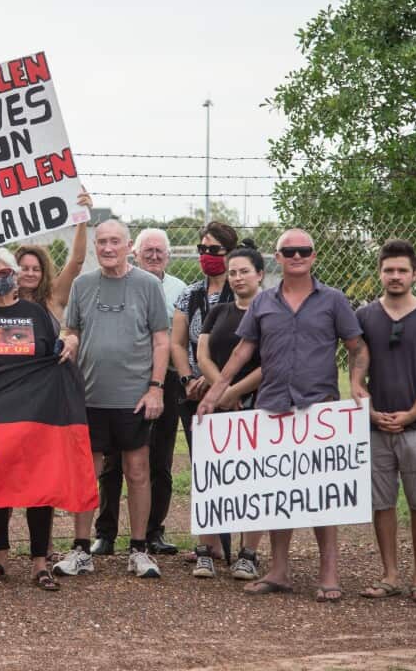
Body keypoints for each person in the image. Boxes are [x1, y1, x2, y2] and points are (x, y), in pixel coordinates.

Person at [198, 228, 369, 602]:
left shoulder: (333, 300)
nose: (296, 256)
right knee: (279, 491)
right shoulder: (263, 302)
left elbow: (357, 347)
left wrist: (357, 383)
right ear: (277, 258)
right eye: (288, 251)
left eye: (303, 250)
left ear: (313, 255)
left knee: (323, 495)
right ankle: (278, 570)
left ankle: (329, 573)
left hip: (319, 408)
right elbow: (243, 351)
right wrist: (215, 392)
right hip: (273, 406)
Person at [53, 220, 169, 580]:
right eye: (101, 241)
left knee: (137, 471)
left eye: (114, 241)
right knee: (87, 473)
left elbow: (161, 340)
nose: (107, 248)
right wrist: (70, 341)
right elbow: (72, 330)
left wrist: (156, 387)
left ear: (128, 246)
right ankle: (81, 549)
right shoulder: (83, 285)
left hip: (133, 397)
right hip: (89, 396)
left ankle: (138, 550)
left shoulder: (148, 285)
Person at [0, 247, 73, 591]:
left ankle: (40, 563)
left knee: (39, 485)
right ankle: (0, 558)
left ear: (14, 276)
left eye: (4, 273)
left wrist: (69, 341)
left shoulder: (34, 312)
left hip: (33, 413)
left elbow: (52, 354)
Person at [356, 239, 416, 604]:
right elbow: (356, 370)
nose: (395, 276)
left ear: (414, 274)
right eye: (388, 270)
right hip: (376, 426)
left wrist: (412, 413)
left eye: (402, 270)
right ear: (379, 273)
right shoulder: (364, 316)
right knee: (382, 503)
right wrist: (367, 409)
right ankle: (390, 575)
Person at [93, 227, 186, 556]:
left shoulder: (179, 290)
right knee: (112, 462)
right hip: (123, 380)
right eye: (148, 250)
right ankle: (105, 532)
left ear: (168, 256)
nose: (154, 255)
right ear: (135, 252)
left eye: (160, 251)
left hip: (163, 380)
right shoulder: (118, 285)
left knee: (159, 459)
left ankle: (152, 531)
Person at [193, 242, 267, 580]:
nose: (237, 278)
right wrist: (221, 392)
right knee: (212, 476)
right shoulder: (219, 312)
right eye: (233, 272)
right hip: (217, 405)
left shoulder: (271, 312)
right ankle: (205, 551)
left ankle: (248, 554)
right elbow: (203, 355)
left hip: (256, 405)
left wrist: (236, 392)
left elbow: (271, 361)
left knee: (255, 479)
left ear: (259, 274)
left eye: (244, 272)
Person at [171, 221, 239, 563]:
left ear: (230, 253)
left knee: (234, 468)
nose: (206, 256)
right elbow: (177, 342)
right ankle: (209, 543)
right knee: (204, 467)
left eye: (214, 250)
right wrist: (187, 379)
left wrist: (216, 382)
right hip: (194, 395)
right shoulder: (190, 294)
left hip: (233, 392)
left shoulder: (242, 293)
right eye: (202, 249)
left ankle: (238, 545)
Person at [0, 189, 93, 323]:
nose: (30, 274)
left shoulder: (54, 298)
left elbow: (77, 261)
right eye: (24, 268)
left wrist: (82, 216)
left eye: (36, 269)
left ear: (44, 273)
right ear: (13, 271)